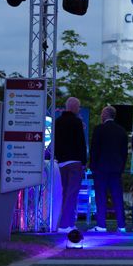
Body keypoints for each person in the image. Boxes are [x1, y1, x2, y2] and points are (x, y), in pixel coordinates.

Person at [89, 105, 129, 232]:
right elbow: (124, 152)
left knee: (101, 196)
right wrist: (121, 167)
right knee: (118, 196)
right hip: (116, 169)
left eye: (102, 113)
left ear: (105, 115)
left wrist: (93, 166)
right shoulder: (122, 130)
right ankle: (121, 225)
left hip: (101, 168)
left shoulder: (99, 129)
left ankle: (101, 225)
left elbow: (94, 150)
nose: (101, 115)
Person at [54, 96, 87, 232]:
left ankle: (67, 223)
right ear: (74, 107)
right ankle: (65, 224)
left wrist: (58, 157)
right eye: (78, 107)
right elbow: (81, 143)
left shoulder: (57, 121)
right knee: (72, 194)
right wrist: (84, 162)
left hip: (62, 163)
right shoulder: (77, 122)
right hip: (74, 162)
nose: (79, 109)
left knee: (65, 193)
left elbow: (55, 143)